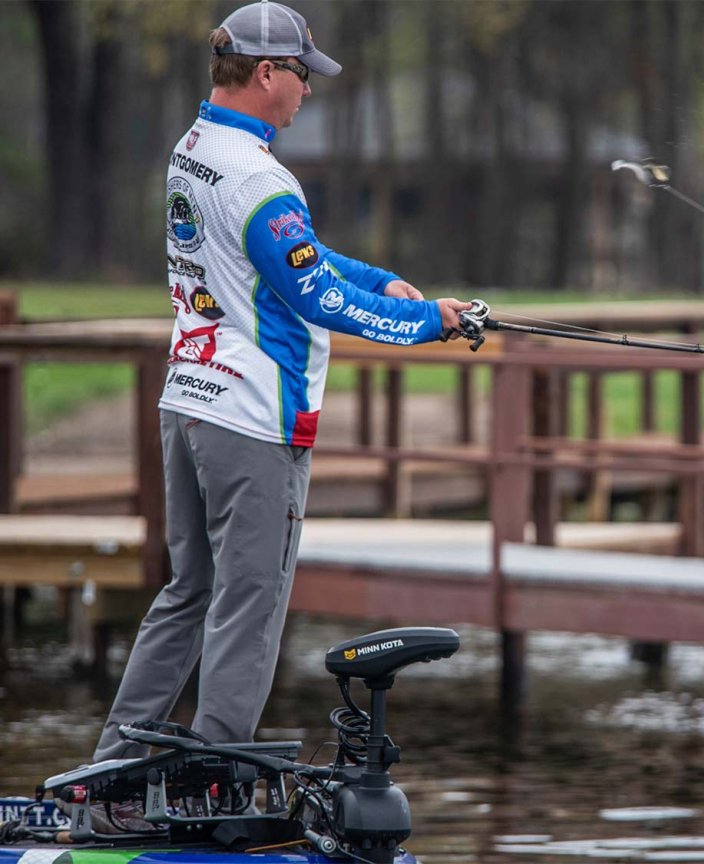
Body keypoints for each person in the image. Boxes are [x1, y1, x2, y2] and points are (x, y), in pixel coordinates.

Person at [92, 0, 472, 773]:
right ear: (266, 73)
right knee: (250, 607)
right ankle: (218, 781)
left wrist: (378, 279)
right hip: (252, 423)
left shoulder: (194, 149)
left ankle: (110, 774)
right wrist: (431, 323)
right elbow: (314, 298)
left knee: (186, 594)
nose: (309, 89)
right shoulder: (261, 176)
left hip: (188, 404)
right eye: (302, 74)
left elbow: (295, 259)